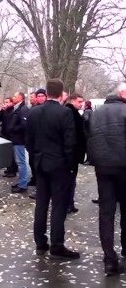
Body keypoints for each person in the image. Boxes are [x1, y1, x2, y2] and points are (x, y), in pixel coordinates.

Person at [25, 78, 79, 260]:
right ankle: (57, 245)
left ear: (47, 92)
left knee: (41, 204)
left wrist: (36, 156)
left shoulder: (34, 112)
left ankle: (40, 243)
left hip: (40, 163)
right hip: (59, 165)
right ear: (61, 92)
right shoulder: (64, 113)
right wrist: (71, 166)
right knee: (58, 206)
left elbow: (28, 141)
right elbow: (69, 143)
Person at [87, 83, 126, 275]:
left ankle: (109, 258)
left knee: (106, 212)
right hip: (124, 167)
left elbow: (91, 137)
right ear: (122, 93)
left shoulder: (97, 112)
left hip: (103, 168)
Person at [64, 93, 86, 214]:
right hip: (72, 154)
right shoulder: (71, 114)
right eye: (79, 101)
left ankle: (69, 203)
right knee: (70, 181)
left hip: (72, 154)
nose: (81, 104)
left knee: (70, 180)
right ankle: (68, 204)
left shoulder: (72, 113)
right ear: (72, 101)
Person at [8, 92, 29, 193]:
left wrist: (13, 128)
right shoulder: (17, 108)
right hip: (16, 139)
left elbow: (24, 124)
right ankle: (21, 182)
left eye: (15, 96)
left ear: (20, 97)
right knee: (19, 162)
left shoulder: (23, 109)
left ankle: (23, 184)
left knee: (21, 162)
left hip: (19, 139)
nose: (13, 97)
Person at [0, 97, 18, 178]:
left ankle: (13, 170)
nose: (6, 104)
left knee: (12, 154)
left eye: (7, 102)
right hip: (5, 134)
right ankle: (9, 168)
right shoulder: (4, 111)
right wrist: (1, 110)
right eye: (5, 102)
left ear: (12, 103)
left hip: (12, 135)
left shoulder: (13, 112)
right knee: (7, 153)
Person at [83, 100, 93, 165]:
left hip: (86, 131)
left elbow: (86, 119)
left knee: (87, 146)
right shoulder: (91, 111)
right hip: (91, 131)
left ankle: (88, 160)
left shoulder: (86, 111)